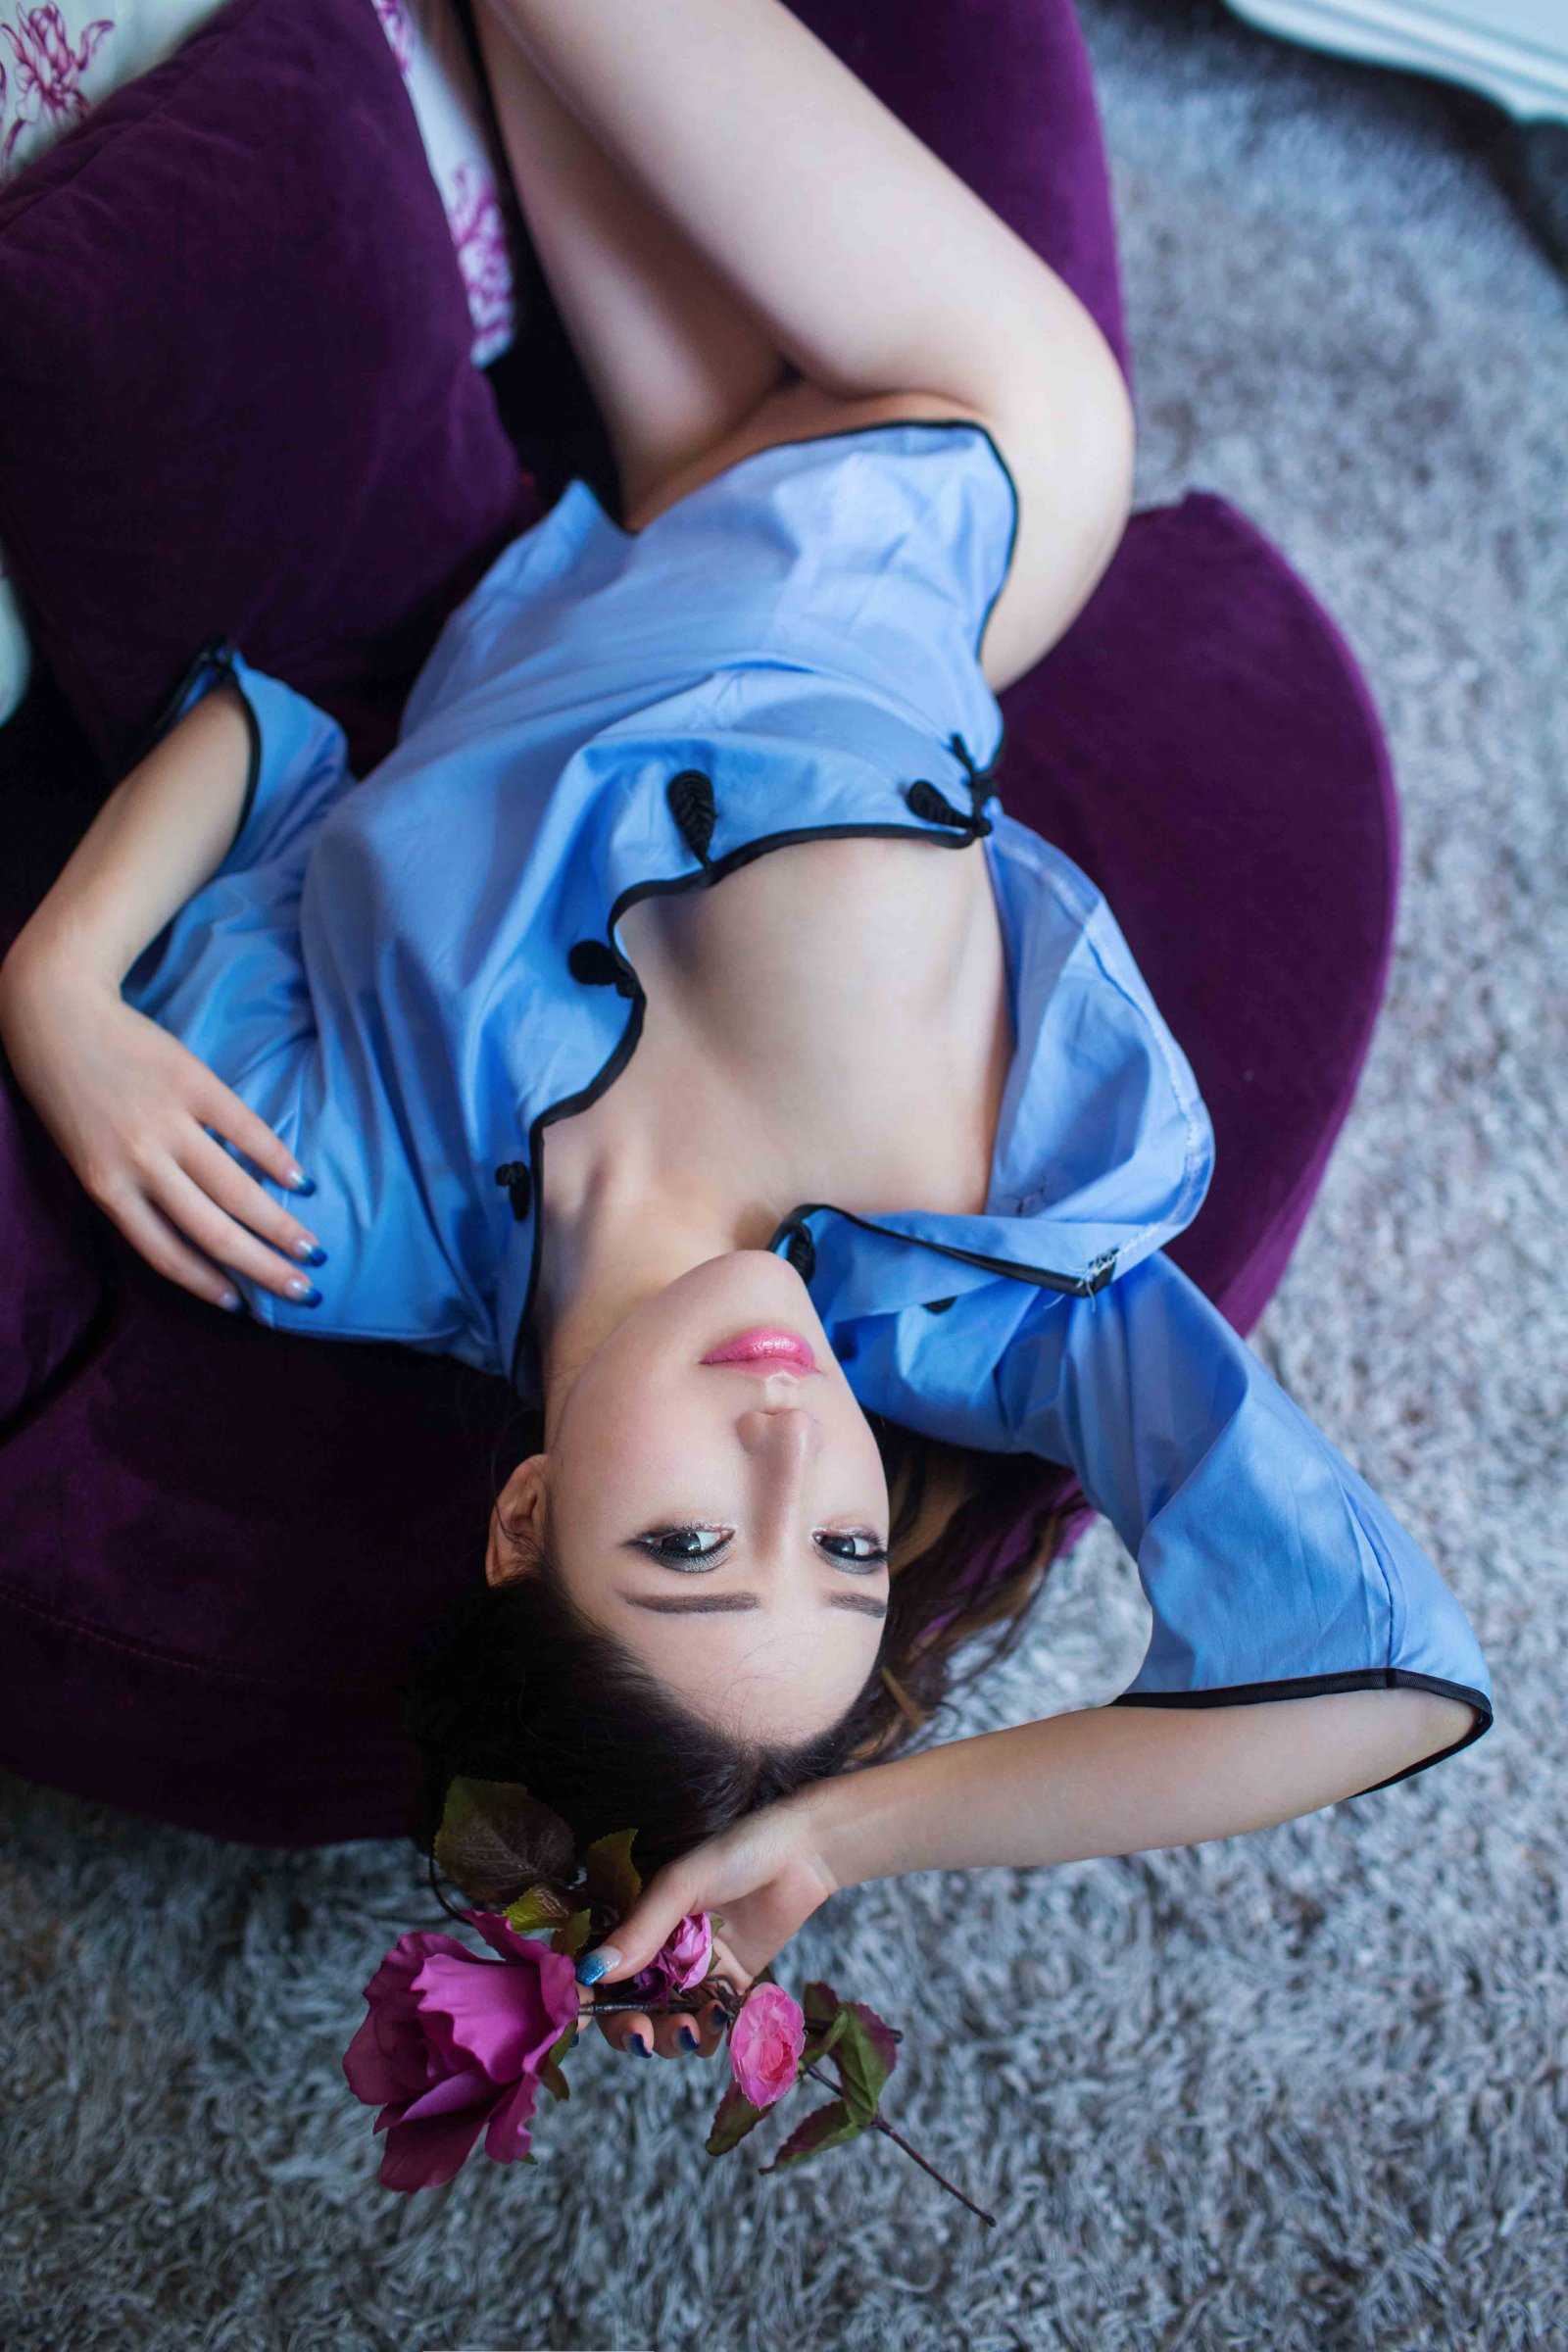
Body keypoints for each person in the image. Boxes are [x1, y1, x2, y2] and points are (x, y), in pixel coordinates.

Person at [0, 0, 1491, 2067]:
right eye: (851, 1544)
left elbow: (269, 742)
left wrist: (57, 986)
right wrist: (839, 1835)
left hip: (669, 496)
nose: (795, 1444)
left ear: (525, 1517)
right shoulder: (977, 1296)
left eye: (694, 1541)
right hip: (978, 443)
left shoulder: (327, 1204)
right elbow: (1381, 1685)